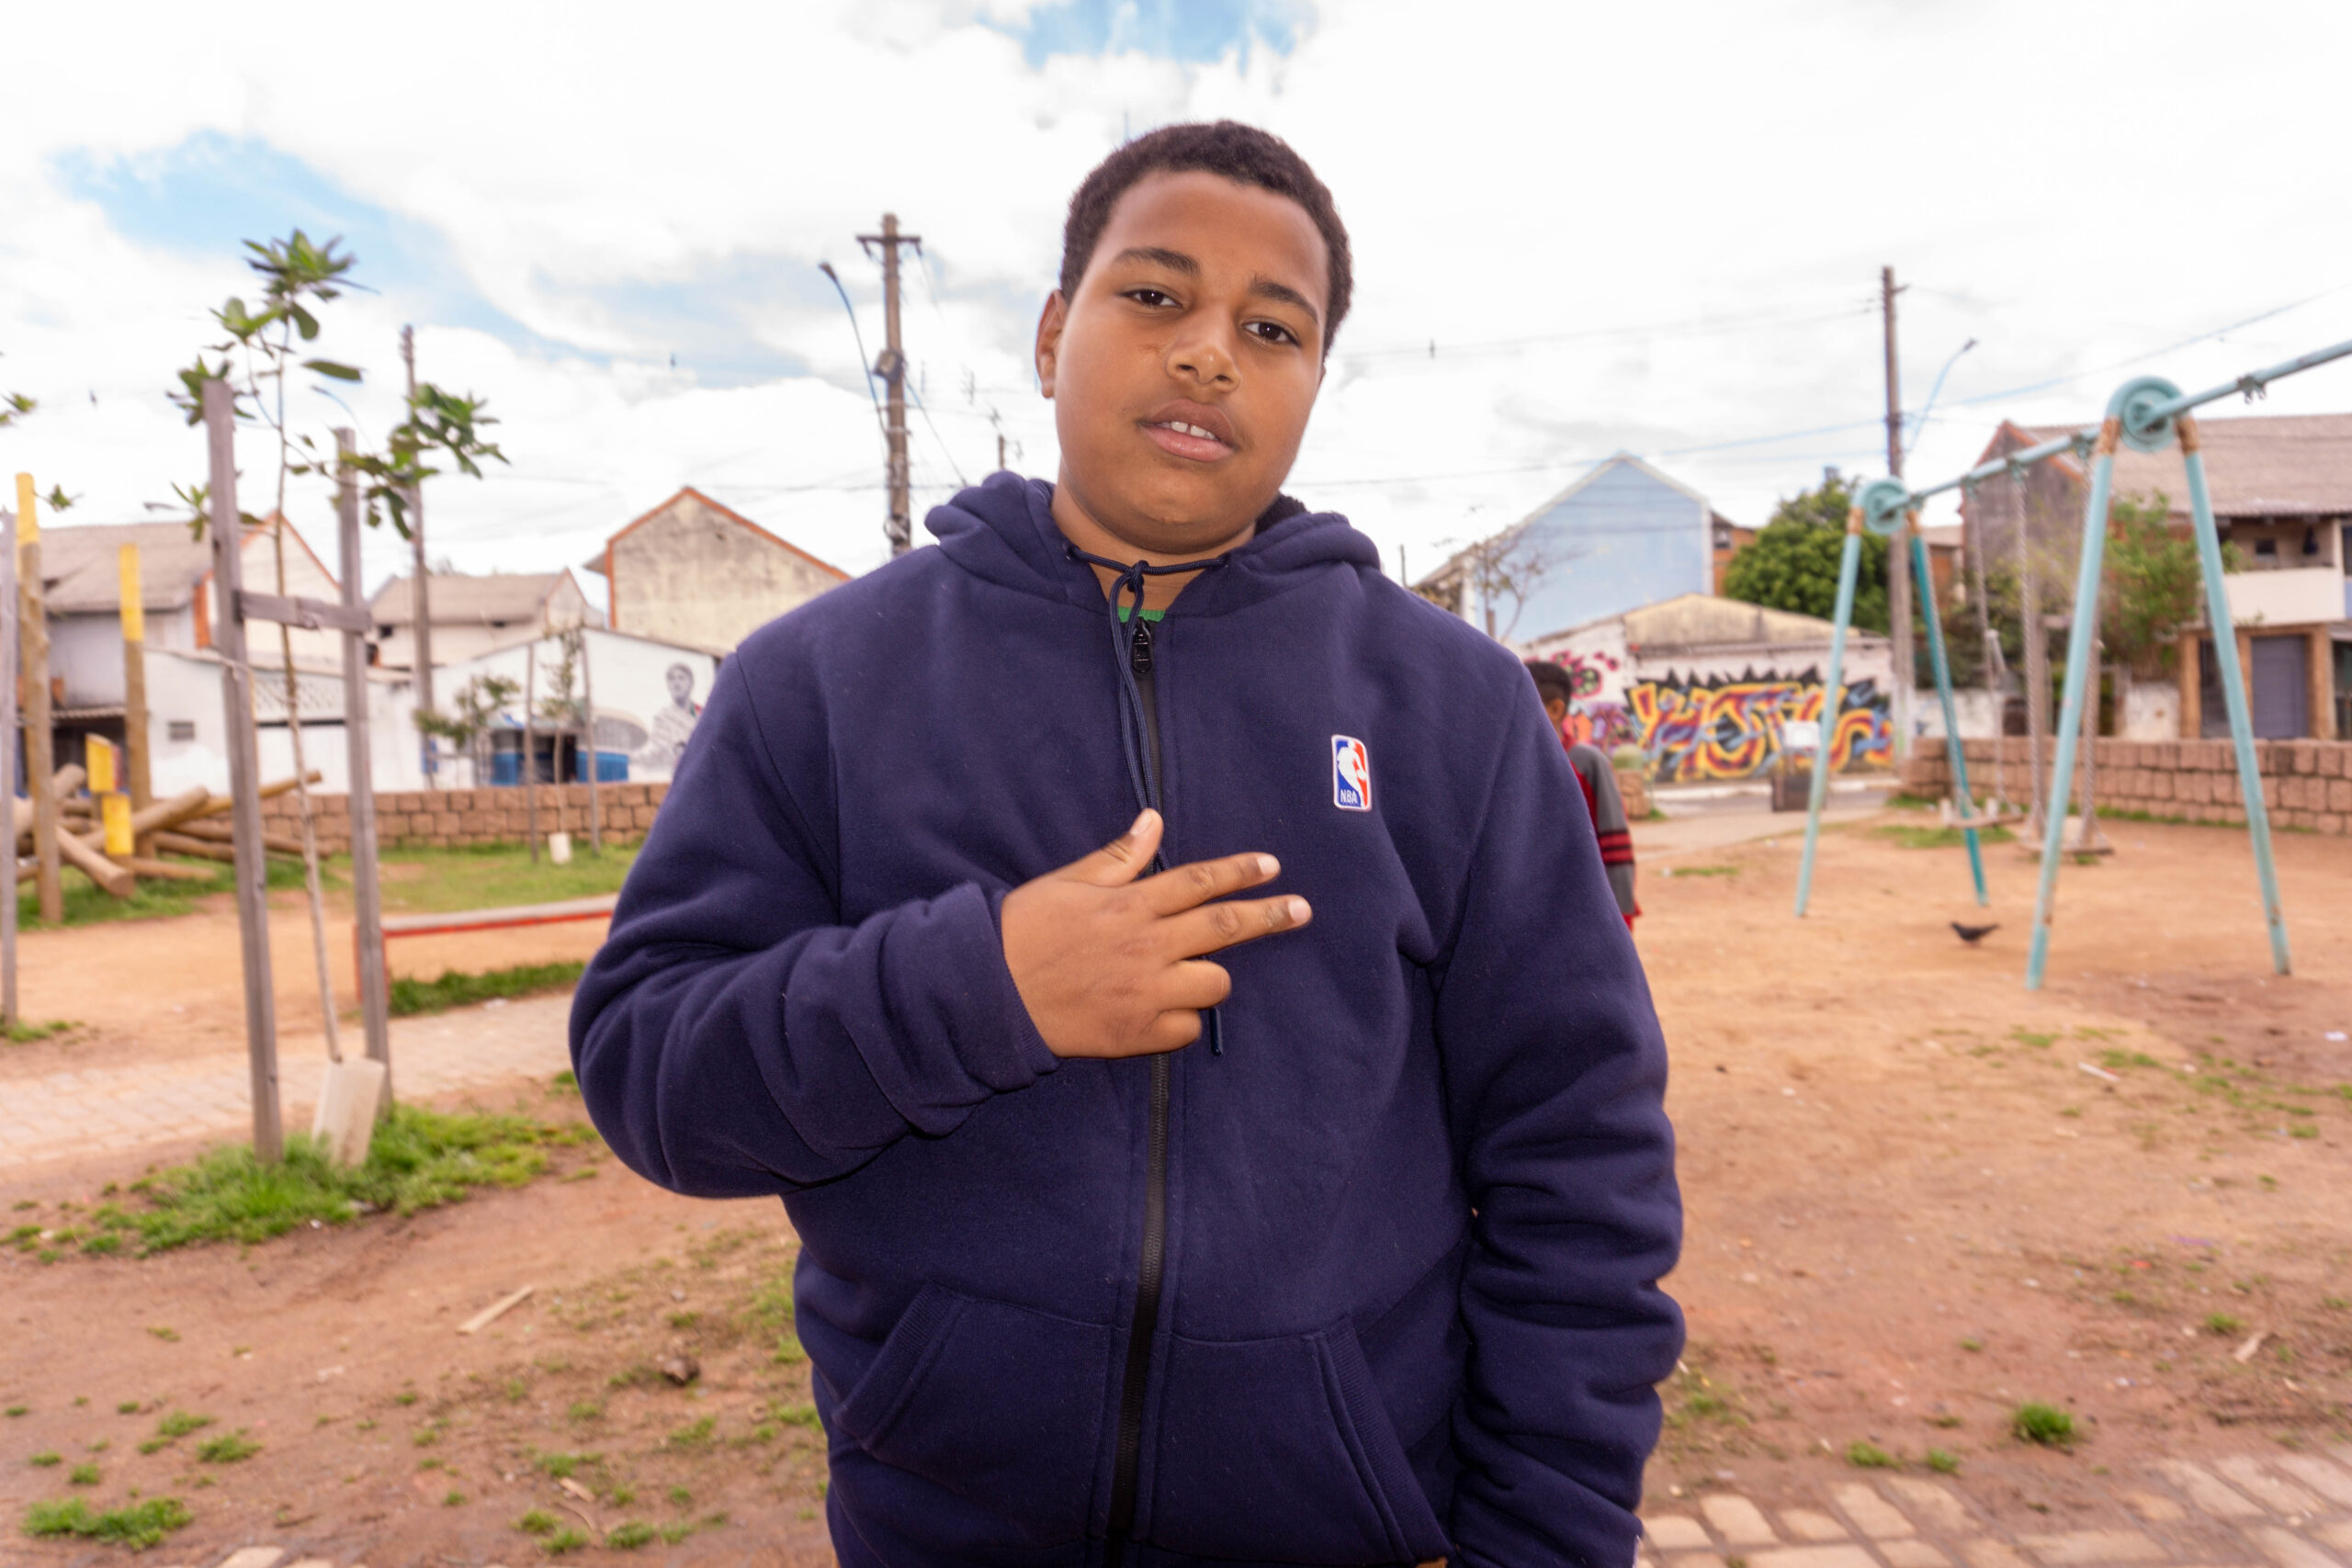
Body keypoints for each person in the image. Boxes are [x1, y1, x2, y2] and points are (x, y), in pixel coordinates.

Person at [572, 121, 1681, 1567]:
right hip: (943, 1524)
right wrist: (982, 988)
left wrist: (1548, 1536)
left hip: (1347, 1524)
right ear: (1052, 336)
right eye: (1155, 295)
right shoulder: (820, 681)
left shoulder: (1452, 705)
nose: (1210, 351)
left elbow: (1582, 1152)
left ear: (1313, 382)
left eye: (1272, 327)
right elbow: (650, 1069)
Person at [1527, 659, 1640, 929]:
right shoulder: (1511, 765)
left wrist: (1620, 921)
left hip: (1583, 912)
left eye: (1524, 704)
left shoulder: (1588, 763)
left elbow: (1615, 844)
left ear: (1555, 709)